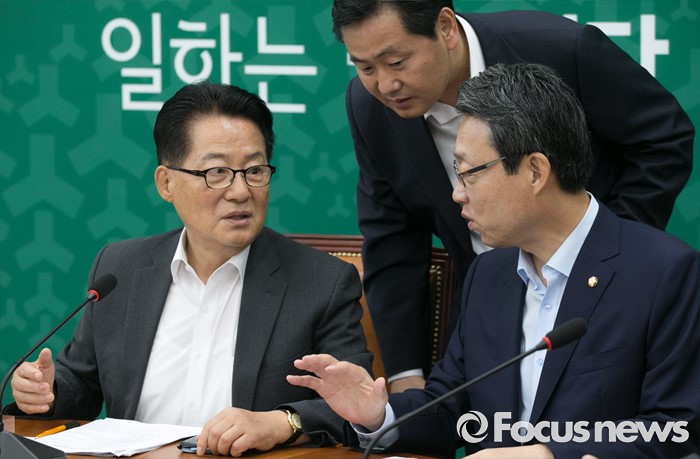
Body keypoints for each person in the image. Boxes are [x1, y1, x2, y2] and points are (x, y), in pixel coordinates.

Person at [288, 63, 700, 459]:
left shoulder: (665, 273)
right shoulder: (490, 272)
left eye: (470, 172)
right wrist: (379, 415)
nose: (458, 193)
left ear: (535, 171)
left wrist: (549, 455)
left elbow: (678, 429)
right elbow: (452, 406)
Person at [331, 0, 695, 392]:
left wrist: (601, 253)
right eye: (365, 68)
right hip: (488, 306)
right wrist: (406, 375)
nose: (385, 85)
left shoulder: (561, 50)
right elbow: (392, 239)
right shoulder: (369, 107)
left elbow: (663, 140)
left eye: (397, 62)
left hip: (603, 295)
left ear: (445, 27)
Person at [7, 81, 373, 456]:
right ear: (166, 183)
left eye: (254, 170)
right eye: (217, 172)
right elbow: (81, 386)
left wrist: (282, 422)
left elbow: (358, 405)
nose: (240, 191)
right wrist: (46, 392)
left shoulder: (322, 283)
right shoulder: (121, 268)